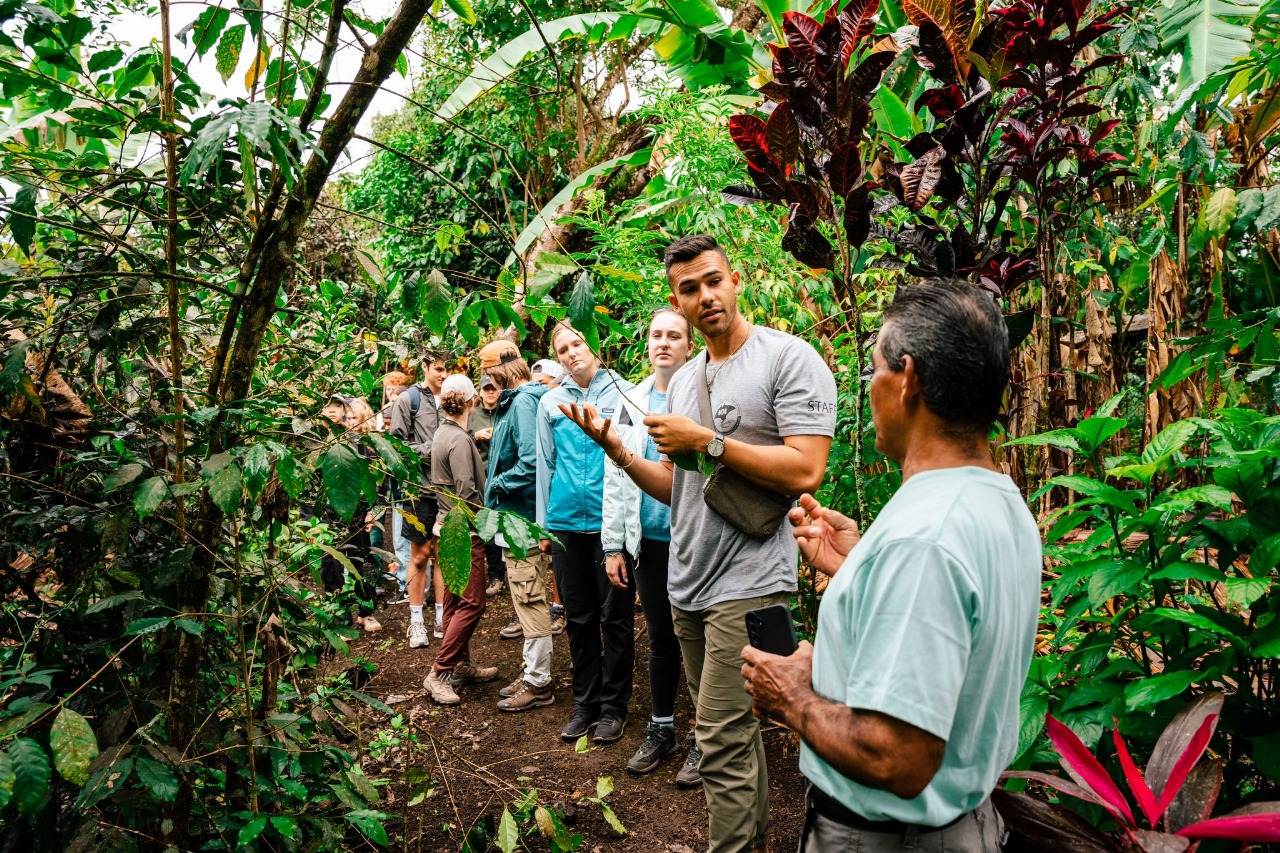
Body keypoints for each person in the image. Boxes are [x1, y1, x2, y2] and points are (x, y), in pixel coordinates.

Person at [740, 279, 1040, 850]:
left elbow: (899, 757)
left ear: (908, 379)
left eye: (873, 371)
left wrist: (793, 696)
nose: (870, 387)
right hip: (964, 824)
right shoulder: (998, 502)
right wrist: (860, 567)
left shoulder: (923, 541)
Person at [561, 234, 836, 853]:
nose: (706, 296)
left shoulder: (787, 358)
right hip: (686, 580)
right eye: (690, 288)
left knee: (717, 734)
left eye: (714, 280)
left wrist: (708, 441)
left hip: (752, 580)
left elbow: (806, 468)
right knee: (731, 734)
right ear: (676, 302)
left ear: (735, 281)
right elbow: (676, 487)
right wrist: (619, 453)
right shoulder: (685, 381)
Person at [600, 308, 697, 778]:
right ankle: (662, 727)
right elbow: (615, 473)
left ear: (689, 345)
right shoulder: (630, 400)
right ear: (647, 344)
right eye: (657, 334)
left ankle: (705, 736)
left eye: (674, 336)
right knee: (660, 637)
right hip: (648, 540)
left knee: (699, 638)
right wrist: (612, 545)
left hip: (695, 539)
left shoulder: (703, 393)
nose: (664, 342)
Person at [536, 321, 635, 745]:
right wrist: (543, 524)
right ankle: (585, 704)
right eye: (563, 349)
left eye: (577, 344)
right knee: (577, 618)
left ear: (593, 344)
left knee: (615, 617)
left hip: (609, 523)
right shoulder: (550, 401)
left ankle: (614, 708)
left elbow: (632, 457)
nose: (571, 353)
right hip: (564, 523)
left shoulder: (625, 393)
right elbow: (545, 463)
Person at [478, 340, 557, 713]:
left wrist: (496, 484)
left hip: (521, 520)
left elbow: (530, 462)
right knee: (527, 596)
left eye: (488, 374)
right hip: (516, 518)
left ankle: (539, 682)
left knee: (529, 597)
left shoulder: (524, 402)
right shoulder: (519, 401)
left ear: (499, 371)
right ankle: (531, 672)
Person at [423, 374, 500, 704]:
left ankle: (460, 663)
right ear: (472, 402)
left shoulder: (443, 432)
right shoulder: (457, 439)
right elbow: (466, 493)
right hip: (462, 532)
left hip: (445, 527)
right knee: (473, 602)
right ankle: (439, 672)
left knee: (455, 600)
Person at [388, 351, 449, 648]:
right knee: (420, 555)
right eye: (438, 369)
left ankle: (441, 618)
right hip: (419, 489)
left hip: (448, 491)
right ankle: (416, 621)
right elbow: (396, 445)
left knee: (443, 555)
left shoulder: (453, 396)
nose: (443, 375)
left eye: (447, 369)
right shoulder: (408, 400)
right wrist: (432, 449)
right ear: (424, 367)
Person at [342, 397, 383, 634]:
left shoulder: (370, 447)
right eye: (347, 418)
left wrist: (372, 512)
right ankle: (342, 616)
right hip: (340, 514)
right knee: (337, 565)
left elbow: (378, 483)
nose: (350, 423)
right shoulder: (340, 444)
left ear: (364, 418)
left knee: (364, 562)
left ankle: (366, 612)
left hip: (361, 513)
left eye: (354, 418)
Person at [470, 373, 506, 597]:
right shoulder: (472, 415)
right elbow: (461, 438)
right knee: (488, 529)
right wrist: (475, 436)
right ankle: (495, 576)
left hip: (506, 477)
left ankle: (509, 573)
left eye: (494, 388)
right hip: (482, 479)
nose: (491, 392)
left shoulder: (507, 410)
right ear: (480, 392)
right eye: (486, 388)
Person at [382, 371, 413, 603]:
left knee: (404, 543)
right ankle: (407, 583)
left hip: (404, 493)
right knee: (402, 542)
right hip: (397, 493)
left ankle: (407, 586)